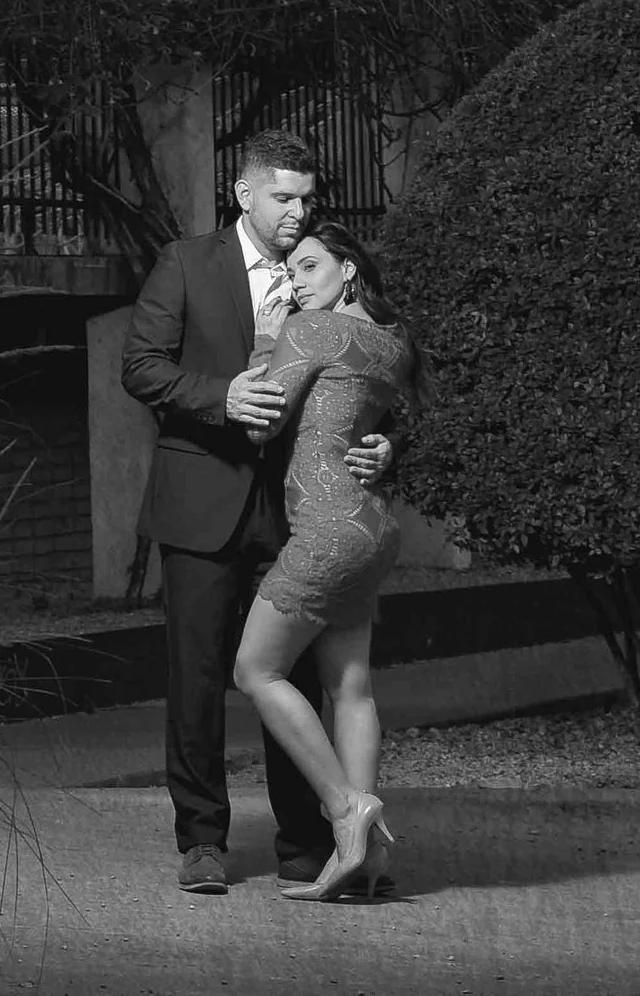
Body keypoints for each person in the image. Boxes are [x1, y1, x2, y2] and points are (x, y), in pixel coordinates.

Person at [118, 131, 395, 897]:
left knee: (295, 672)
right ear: (244, 195)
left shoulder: (323, 276)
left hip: (296, 511)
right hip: (200, 500)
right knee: (198, 675)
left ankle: (305, 840)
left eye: (306, 197)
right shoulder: (185, 262)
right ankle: (202, 841)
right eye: (283, 197)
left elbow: (364, 383)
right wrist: (221, 396)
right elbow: (140, 366)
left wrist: (382, 446)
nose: (296, 211)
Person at [231, 224, 420, 903]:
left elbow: (261, 421)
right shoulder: (393, 343)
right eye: (289, 268)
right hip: (373, 523)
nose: (298, 279)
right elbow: (385, 419)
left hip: (328, 526)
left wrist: (267, 342)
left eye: (310, 265)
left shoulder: (310, 328)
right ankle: (363, 858)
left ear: (348, 268)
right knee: (352, 686)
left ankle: (346, 808)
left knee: (256, 668)